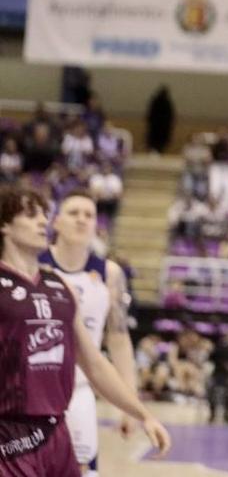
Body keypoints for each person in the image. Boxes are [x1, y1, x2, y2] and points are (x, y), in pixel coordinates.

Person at [0, 185, 169, 474]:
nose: (42, 222)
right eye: (31, 215)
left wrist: (142, 414)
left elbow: (95, 362)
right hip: (9, 433)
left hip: (57, 428)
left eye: (44, 214)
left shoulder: (61, 287)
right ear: (4, 225)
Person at [40, 192, 138, 477]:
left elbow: (119, 340)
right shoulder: (35, 265)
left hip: (81, 390)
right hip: (34, 393)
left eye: (89, 215)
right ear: (56, 222)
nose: (82, 219)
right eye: (74, 213)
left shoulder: (110, 273)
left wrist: (129, 405)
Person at [145, 86, 175, 154]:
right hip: (157, 127)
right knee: (156, 143)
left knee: (159, 143)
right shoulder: (163, 102)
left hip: (160, 127)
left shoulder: (165, 103)